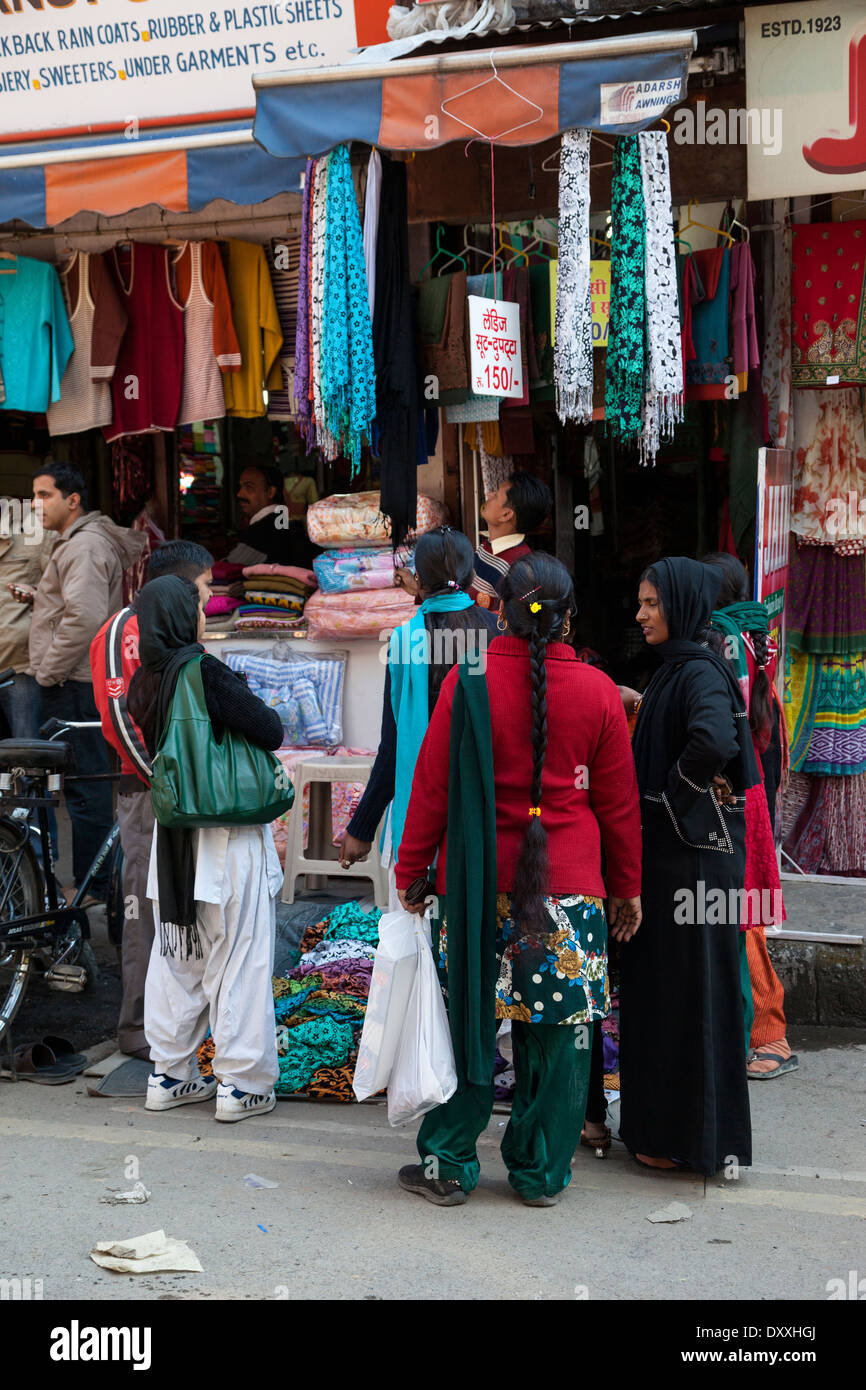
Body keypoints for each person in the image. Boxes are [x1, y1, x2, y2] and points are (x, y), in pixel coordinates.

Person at [394, 553, 642, 1206]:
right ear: (568, 621)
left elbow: (432, 790)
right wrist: (628, 889)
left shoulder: (467, 679)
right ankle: (539, 1172)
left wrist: (411, 868)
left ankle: (448, 1162)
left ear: (498, 610)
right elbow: (617, 807)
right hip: (570, 892)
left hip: (476, 889)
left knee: (468, 1025)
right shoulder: (597, 692)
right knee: (560, 1039)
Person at [618, 557, 758, 1175]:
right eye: (641, 603)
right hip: (682, 865)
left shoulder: (699, 670)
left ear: (680, 604)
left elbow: (715, 741)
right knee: (670, 993)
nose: (642, 614)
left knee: (688, 995)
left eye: (652, 603)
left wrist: (672, 798)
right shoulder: (683, 668)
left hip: (693, 870)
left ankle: (688, 1138)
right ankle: (671, 1134)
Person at [128, 575, 285, 1121]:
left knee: (178, 960)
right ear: (179, 616)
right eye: (197, 604)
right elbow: (270, 729)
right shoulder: (202, 670)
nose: (204, 613)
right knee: (238, 957)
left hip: (172, 841)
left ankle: (168, 1075)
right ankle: (242, 1085)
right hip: (225, 835)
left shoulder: (143, 682)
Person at [89, 540, 214, 1061]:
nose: (210, 600)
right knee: (144, 907)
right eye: (206, 589)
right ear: (183, 588)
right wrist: (165, 782)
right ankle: (136, 1027)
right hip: (147, 793)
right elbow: (120, 721)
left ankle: (180, 1021)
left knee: (184, 907)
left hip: (176, 793)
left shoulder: (176, 627)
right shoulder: (122, 629)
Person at [339, 526, 497, 882]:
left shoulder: (406, 641)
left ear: (418, 579)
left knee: (420, 930)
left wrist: (362, 828)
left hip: (426, 813)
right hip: (492, 809)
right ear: (471, 573)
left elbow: (394, 747)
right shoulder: (496, 632)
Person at [26, 463, 145, 901]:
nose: (36, 505)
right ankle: (93, 883)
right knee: (81, 786)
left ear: (73, 500)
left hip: (74, 680)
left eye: (44, 495)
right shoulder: (77, 545)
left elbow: (85, 617)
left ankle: (94, 886)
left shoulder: (85, 546)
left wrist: (47, 671)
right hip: (74, 678)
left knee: (85, 789)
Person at [703, 550, 797, 1080]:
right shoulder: (755, 631)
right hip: (759, 779)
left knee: (744, 921)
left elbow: (719, 726)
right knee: (745, 914)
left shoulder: (723, 642)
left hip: (743, 792)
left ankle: (770, 1033)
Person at [0, 498, 54, 739]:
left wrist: (35, 596)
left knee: (26, 747)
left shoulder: (36, 536)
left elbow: (59, 589)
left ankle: (28, 778)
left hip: (19, 663)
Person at [469, 471, 552, 610]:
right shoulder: (487, 545)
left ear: (506, 514)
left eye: (495, 495)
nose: (488, 495)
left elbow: (511, 623)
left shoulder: (517, 569)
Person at [228, 463, 297, 567]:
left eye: (249, 487)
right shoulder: (282, 521)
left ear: (270, 492)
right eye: (241, 487)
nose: (240, 494)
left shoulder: (262, 530)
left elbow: (229, 568)